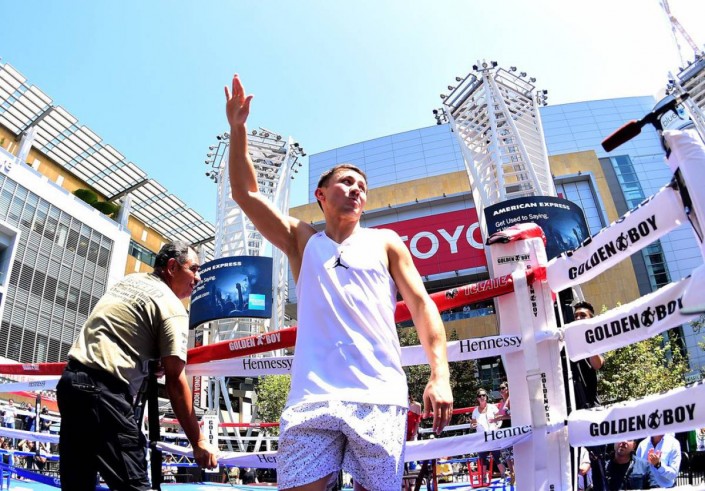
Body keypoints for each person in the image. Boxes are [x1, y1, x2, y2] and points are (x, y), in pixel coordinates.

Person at [225, 74, 453, 491]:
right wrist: (237, 129)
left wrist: (440, 376)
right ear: (321, 194)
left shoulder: (387, 241)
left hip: (378, 395)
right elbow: (245, 193)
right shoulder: (302, 240)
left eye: (361, 187)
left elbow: (423, 306)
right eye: (346, 183)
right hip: (312, 398)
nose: (355, 191)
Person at [56, 242, 218, 490]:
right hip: (104, 394)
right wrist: (198, 441)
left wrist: (149, 361)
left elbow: (122, 330)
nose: (198, 278)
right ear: (172, 267)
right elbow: (175, 380)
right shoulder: (172, 307)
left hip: (71, 383)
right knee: (135, 486)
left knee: (77, 484)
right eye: (194, 269)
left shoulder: (129, 282)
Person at [571, 301, 605, 410]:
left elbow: (597, 365)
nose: (578, 318)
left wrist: (589, 341)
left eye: (583, 315)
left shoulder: (597, 341)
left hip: (590, 404)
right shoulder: (569, 340)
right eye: (576, 316)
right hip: (570, 404)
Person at [470, 389, 505, 478]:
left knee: (498, 457)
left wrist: (497, 427)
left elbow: (499, 419)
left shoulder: (493, 407)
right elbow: (472, 424)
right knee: (482, 459)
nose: (482, 397)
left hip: (493, 436)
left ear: (486, 397)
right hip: (482, 438)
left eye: (483, 395)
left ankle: (504, 475)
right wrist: (473, 426)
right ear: (477, 398)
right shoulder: (475, 411)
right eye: (479, 396)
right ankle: (483, 478)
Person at [494, 382, 514, 483]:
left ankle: (515, 474)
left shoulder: (511, 399)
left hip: (511, 427)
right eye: (500, 388)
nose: (501, 390)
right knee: (506, 454)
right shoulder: (501, 402)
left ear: (507, 388)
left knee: (512, 453)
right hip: (503, 429)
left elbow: (512, 415)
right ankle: (512, 474)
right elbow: (498, 415)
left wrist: (499, 417)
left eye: (503, 388)